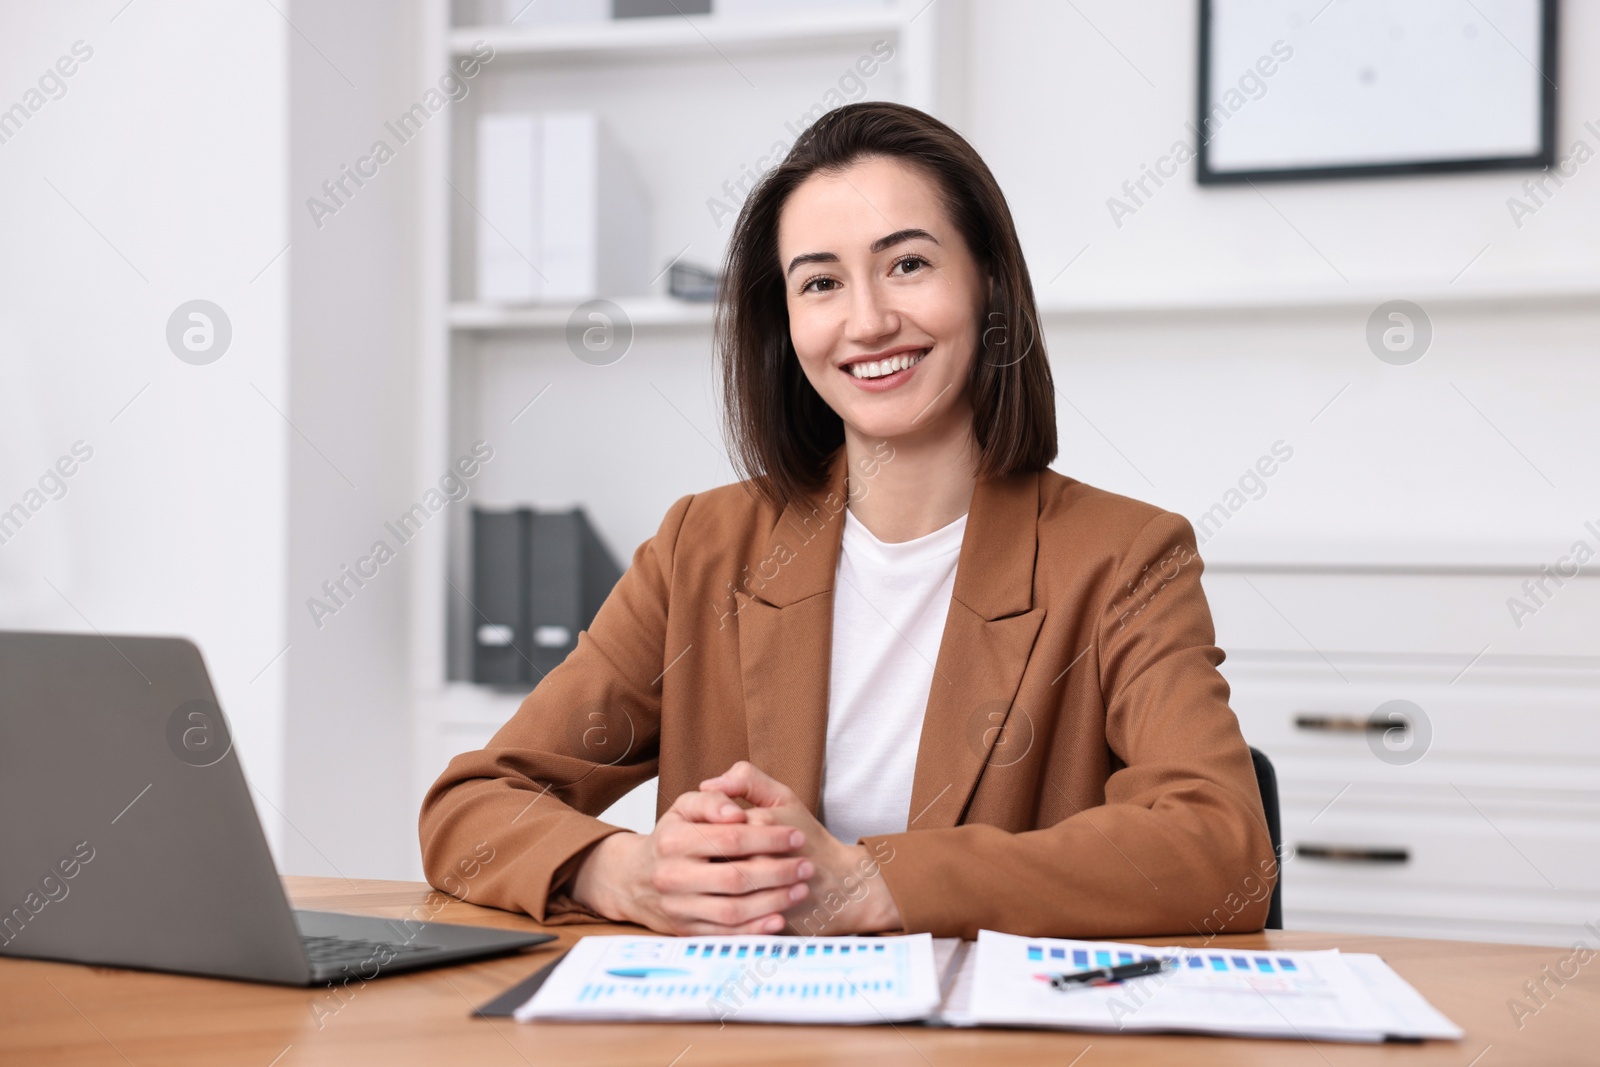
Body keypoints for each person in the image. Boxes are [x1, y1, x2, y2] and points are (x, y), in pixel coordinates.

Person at [419, 102, 1274, 940]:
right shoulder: (702, 550)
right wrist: (623, 873)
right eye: (821, 282)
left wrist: (873, 884)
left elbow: (1224, 851)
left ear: (988, 283)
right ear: (787, 324)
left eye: (907, 265)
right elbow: (472, 806)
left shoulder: (1125, 557)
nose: (866, 321)